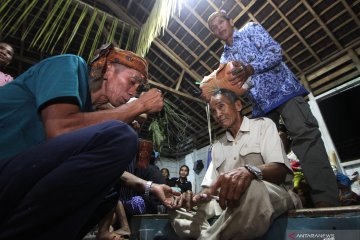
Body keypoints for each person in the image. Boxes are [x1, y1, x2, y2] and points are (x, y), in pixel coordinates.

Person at [0, 43, 180, 240]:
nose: (133, 92)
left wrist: (150, 187)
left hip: (19, 177)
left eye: (138, 88)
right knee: (121, 136)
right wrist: (139, 106)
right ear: (108, 69)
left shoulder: (86, 112)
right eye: (132, 81)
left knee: (110, 192)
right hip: (6, 168)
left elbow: (99, 169)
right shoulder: (69, 65)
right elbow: (60, 129)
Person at [207, 11, 339, 207]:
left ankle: (326, 200)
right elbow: (233, 88)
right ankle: (283, 202)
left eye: (220, 22)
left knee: (305, 137)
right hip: (260, 106)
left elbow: (275, 52)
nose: (219, 28)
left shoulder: (250, 29)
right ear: (215, 34)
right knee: (266, 154)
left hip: (284, 91)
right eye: (214, 28)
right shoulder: (224, 59)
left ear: (231, 22)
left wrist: (251, 68)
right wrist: (210, 89)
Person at [170, 89, 300, 240]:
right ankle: (210, 235)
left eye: (221, 106)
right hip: (231, 203)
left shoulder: (263, 126)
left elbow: (280, 170)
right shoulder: (217, 146)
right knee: (176, 206)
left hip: (269, 194)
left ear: (238, 105)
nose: (217, 115)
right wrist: (193, 198)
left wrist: (249, 171)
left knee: (252, 187)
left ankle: (209, 237)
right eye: (213, 112)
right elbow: (209, 188)